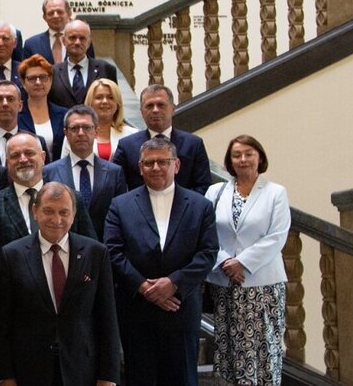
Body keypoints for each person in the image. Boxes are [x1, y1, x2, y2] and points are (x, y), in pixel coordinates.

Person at [104, 137, 218, 386]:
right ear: (140, 167)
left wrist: (174, 283)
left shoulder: (201, 206)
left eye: (163, 162)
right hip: (137, 311)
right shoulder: (120, 205)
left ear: (176, 165)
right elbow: (113, 251)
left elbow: (208, 252)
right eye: (149, 163)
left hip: (181, 307)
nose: (156, 168)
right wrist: (144, 287)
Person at [0, 182, 121, 386]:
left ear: (74, 214)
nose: (57, 220)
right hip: (30, 369)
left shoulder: (96, 253)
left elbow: (107, 319)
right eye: (48, 211)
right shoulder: (12, 255)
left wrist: (108, 377)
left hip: (82, 369)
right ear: (35, 211)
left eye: (64, 212)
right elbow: (4, 322)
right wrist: (6, 376)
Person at [206, 135, 291, 386]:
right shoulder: (216, 191)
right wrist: (225, 263)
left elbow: (277, 236)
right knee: (229, 347)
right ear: (229, 162)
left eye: (248, 154)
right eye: (236, 155)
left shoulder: (276, 193)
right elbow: (206, 233)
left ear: (260, 157)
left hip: (262, 283)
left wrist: (241, 262)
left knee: (263, 347)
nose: (243, 159)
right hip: (225, 284)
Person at [0, 132, 94, 249]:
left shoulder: (71, 198)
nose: (23, 159)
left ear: (43, 157)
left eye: (29, 153)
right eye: (15, 155)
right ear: (7, 163)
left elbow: (90, 248)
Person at [111, 84, 213, 194]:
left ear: (173, 109)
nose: (155, 110)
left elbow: (203, 186)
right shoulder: (126, 146)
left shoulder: (193, 144)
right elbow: (116, 186)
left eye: (161, 105)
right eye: (149, 106)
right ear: (141, 112)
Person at [43, 105, 128, 238]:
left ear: (96, 132)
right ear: (66, 133)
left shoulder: (114, 172)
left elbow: (122, 216)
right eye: (74, 128)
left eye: (87, 127)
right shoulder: (49, 172)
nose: (81, 133)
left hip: (104, 247)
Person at [61, 77, 137, 161]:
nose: (105, 101)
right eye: (99, 97)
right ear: (90, 102)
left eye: (111, 97)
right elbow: (64, 167)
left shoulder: (132, 134)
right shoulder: (74, 133)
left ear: (118, 103)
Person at [49, 19, 117, 108]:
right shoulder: (53, 72)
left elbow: (114, 102)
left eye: (82, 38)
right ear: (63, 41)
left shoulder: (106, 69)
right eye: (72, 38)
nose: (77, 42)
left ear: (89, 42)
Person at [0, 81, 47, 165]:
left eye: (10, 99)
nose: (5, 104)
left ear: (20, 105)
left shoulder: (37, 141)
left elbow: (45, 174)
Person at [17, 54, 68, 160]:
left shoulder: (64, 114)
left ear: (51, 80)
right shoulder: (15, 115)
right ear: (23, 83)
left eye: (43, 77)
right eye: (32, 78)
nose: (38, 82)